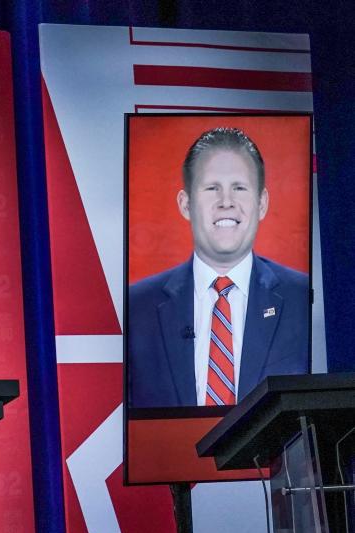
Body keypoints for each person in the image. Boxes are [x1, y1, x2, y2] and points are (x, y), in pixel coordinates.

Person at [126, 126, 309, 408]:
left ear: (262, 203)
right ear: (186, 204)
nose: (226, 202)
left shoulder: (302, 297)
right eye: (212, 188)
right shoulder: (137, 306)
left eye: (239, 188)